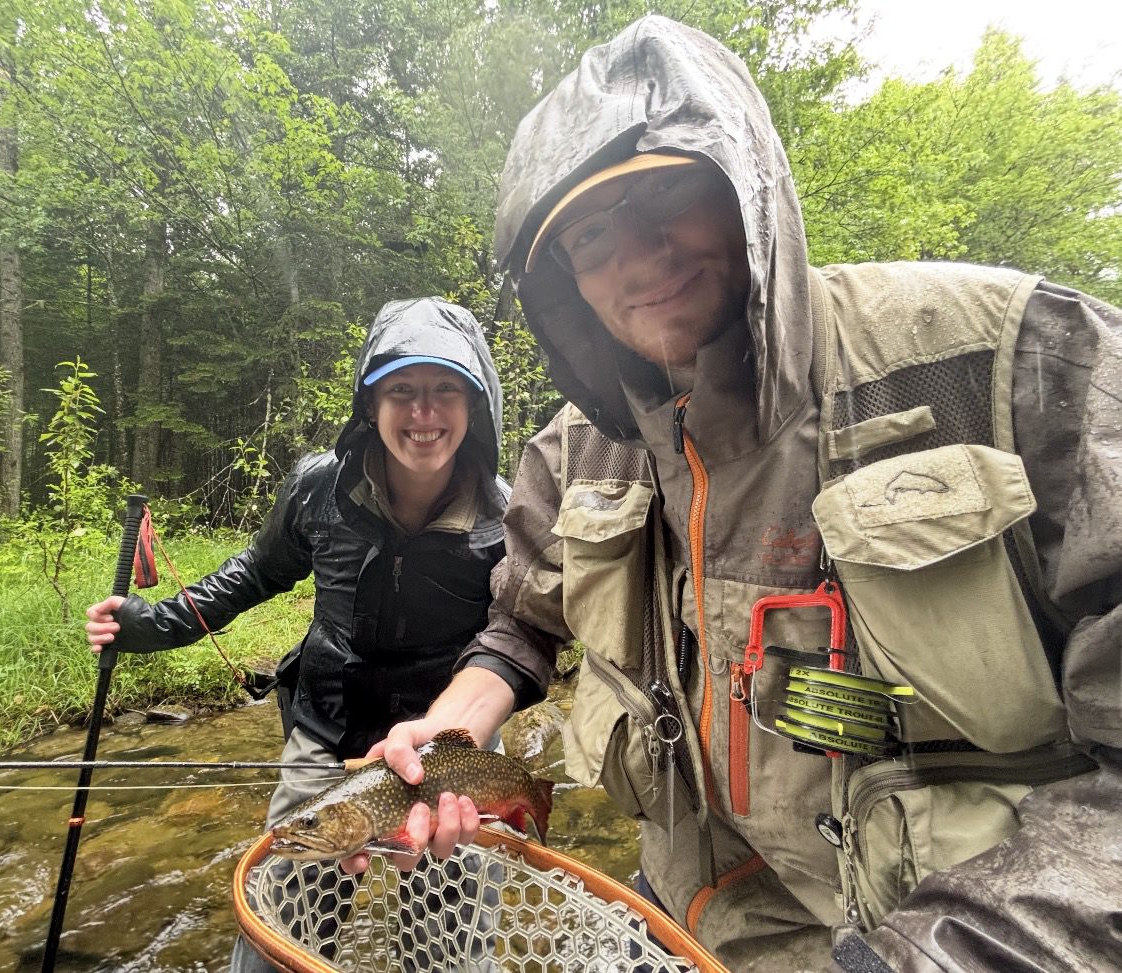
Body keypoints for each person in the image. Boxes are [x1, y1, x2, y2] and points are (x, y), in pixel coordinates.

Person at [354, 16, 1122, 973]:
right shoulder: (576, 450)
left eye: (669, 191)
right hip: (680, 919)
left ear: (749, 188)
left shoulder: (1019, 358)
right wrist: (459, 720)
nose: (639, 256)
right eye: (592, 234)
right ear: (564, 284)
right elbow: (522, 623)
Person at [84, 296, 511, 970]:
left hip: (448, 759)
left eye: (445, 391)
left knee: (450, 951)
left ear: (473, 406)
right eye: (402, 390)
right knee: (275, 939)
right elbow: (255, 571)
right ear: (370, 405)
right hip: (326, 744)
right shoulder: (321, 488)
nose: (423, 413)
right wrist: (155, 624)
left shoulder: (503, 518)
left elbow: (520, 642)